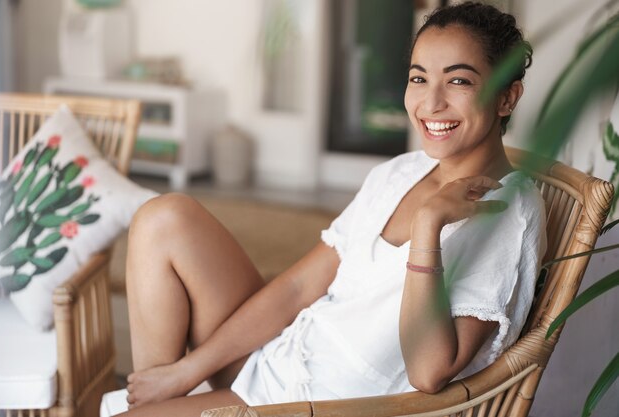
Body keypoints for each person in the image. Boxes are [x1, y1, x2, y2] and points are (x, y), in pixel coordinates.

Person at [119, 2, 546, 416]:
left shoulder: (507, 212)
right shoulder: (402, 171)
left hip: (321, 404)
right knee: (163, 216)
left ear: (507, 98)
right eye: (418, 79)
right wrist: (185, 372)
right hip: (284, 361)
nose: (431, 103)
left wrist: (428, 225)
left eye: (459, 81)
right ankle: (166, 390)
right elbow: (300, 286)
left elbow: (429, 373)